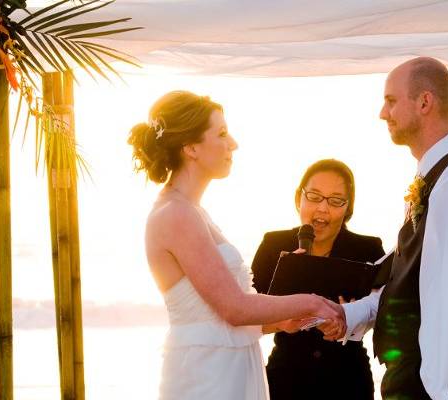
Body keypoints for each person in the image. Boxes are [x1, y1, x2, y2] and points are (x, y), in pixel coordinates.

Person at [127, 91, 344, 400]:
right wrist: (312, 302)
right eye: (222, 134)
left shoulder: (194, 211)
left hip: (228, 367)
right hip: (207, 377)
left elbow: (217, 318)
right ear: (191, 148)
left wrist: (278, 322)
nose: (234, 144)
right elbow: (234, 308)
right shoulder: (176, 214)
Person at [322, 57, 448, 399]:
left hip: (431, 378)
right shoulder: (433, 178)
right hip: (411, 372)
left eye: (390, 101)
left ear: (424, 102)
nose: (382, 113)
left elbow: (439, 296)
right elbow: (406, 282)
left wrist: (436, 392)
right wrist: (346, 314)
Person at [251, 159, 385, 400]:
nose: (322, 208)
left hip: (349, 381)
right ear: (298, 198)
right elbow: (246, 316)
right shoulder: (273, 245)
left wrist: (350, 318)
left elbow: (384, 311)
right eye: (314, 196)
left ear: (348, 209)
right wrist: (282, 318)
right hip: (285, 379)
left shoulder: (369, 249)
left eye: (335, 201)